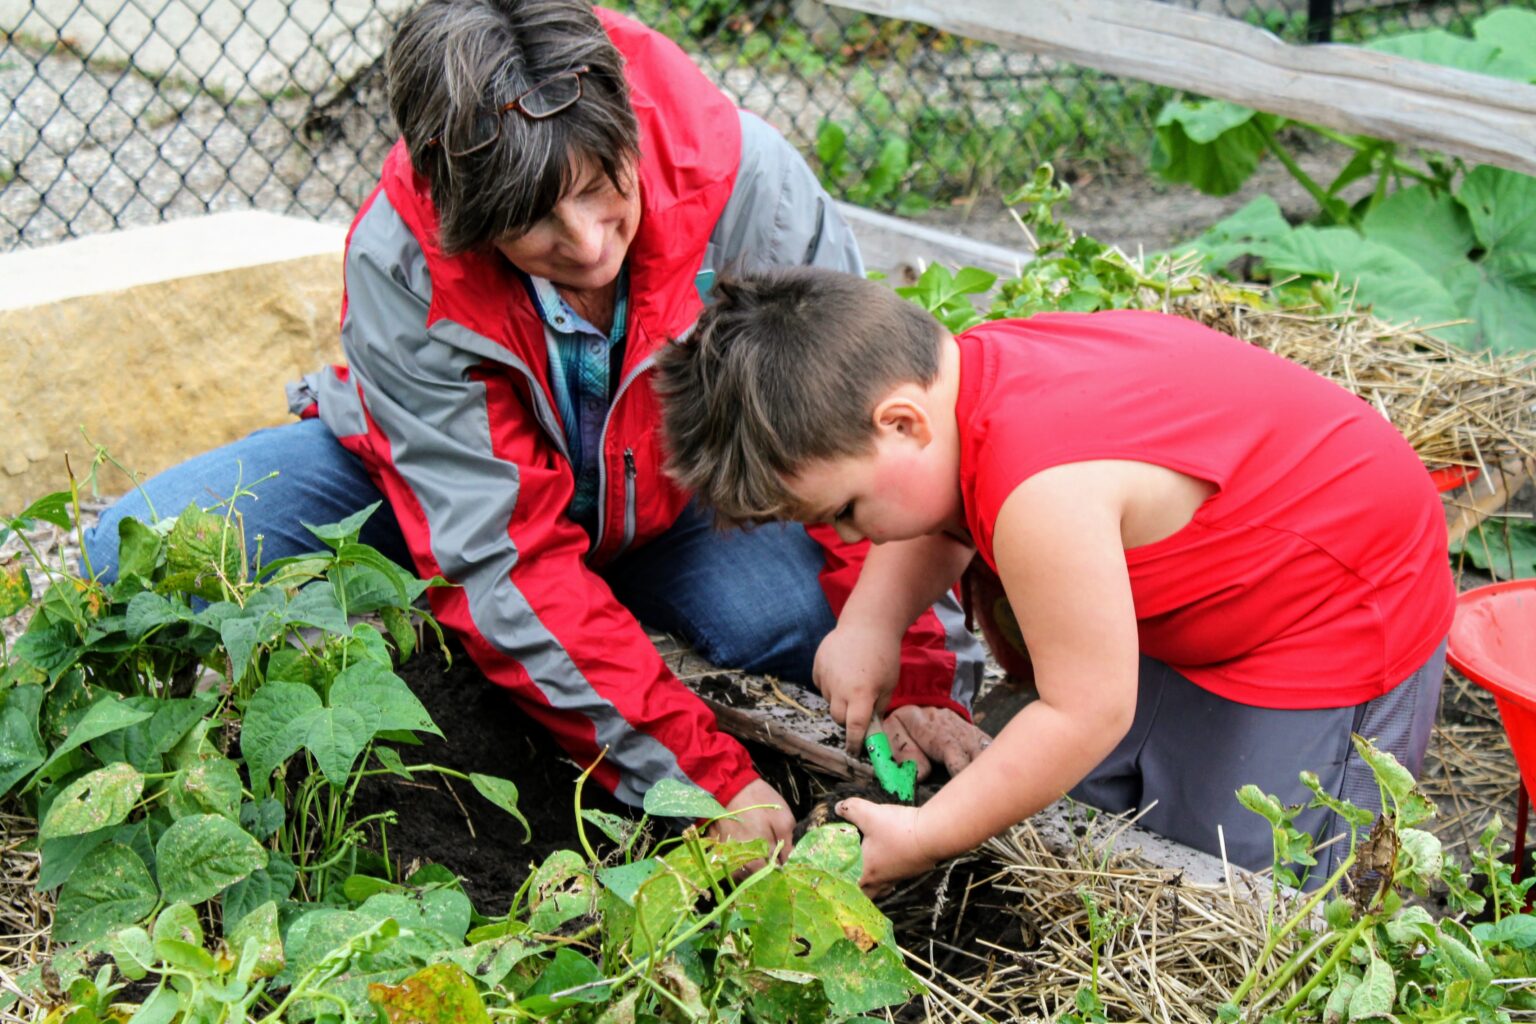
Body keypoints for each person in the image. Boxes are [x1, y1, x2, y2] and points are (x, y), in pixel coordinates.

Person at [82, 0, 986, 853]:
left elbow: (861, 435)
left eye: (602, 189)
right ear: (461, 211)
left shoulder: (741, 179)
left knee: (795, 623)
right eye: (532, 223)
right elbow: (503, 554)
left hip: (676, 506)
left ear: (624, 121)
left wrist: (916, 678)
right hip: (427, 492)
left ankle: (582, 647)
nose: (590, 245)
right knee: (137, 555)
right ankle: (566, 652)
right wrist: (703, 778)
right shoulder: (404, 260)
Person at [655, 267, 1454, 892]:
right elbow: (937, 499)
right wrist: (870, 619)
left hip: (1333, 605)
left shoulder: (1042, 493)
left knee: (1249, 863)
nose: (850, 537)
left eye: (848, 511)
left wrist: (929, 834)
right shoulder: (957, 383)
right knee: (1100, 803)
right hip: (1220, 569)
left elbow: (1088, 710)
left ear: (902, 422)